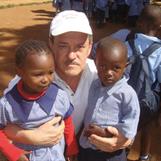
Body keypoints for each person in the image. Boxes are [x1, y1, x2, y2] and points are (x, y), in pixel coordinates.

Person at [1, 10, 132, 161]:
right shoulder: (25, 82)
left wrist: (126, 140)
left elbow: (130, 109)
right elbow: (4, 122)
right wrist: (29, 136)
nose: (71, 55)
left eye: (80, 46)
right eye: (63, 46)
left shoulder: (102, 75)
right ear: (51, 43)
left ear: (90, 47)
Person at [0, 40, 78, 161]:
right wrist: (14, 154)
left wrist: (72, 148)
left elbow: (67, 121)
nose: (46, 79)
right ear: (20, 72)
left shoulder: (59, 96)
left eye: (51, 72)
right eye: (38, 74)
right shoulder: (8, 104)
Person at [78, 37, 140, 161]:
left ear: (125, 66)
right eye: (102, 66)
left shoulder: (127, 94)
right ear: (96, 63)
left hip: (111, 154)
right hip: (86, 148)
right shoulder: (94, 85)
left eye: (116, 68)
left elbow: (130, 126)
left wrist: (104, 132)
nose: (108, 72)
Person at [125, 5, 161, 161]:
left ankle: (123, 152)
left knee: (127, 127)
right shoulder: (160, 51)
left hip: (126, 98)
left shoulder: (127, 44)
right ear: (159, 27)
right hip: (149, 101)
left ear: (139, 22)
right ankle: (144, 156)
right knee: (147, 126)